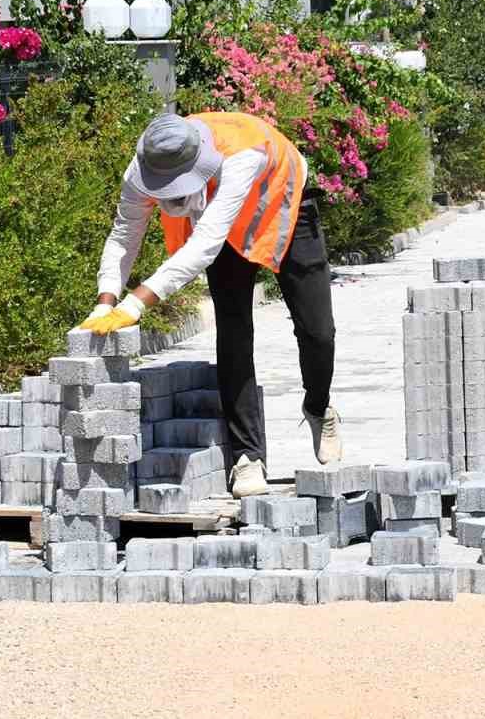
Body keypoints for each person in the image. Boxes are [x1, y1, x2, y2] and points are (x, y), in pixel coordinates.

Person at [82, 112, 341, 498]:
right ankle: (247, 458)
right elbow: (124, 234)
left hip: (282, 202)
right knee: (234, 331)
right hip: (218, 226)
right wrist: (105, 302)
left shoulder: (241, 157)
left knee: (318, 329)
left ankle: (319, 408)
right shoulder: (144, 166)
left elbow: (205, 243)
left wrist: (136, 304)